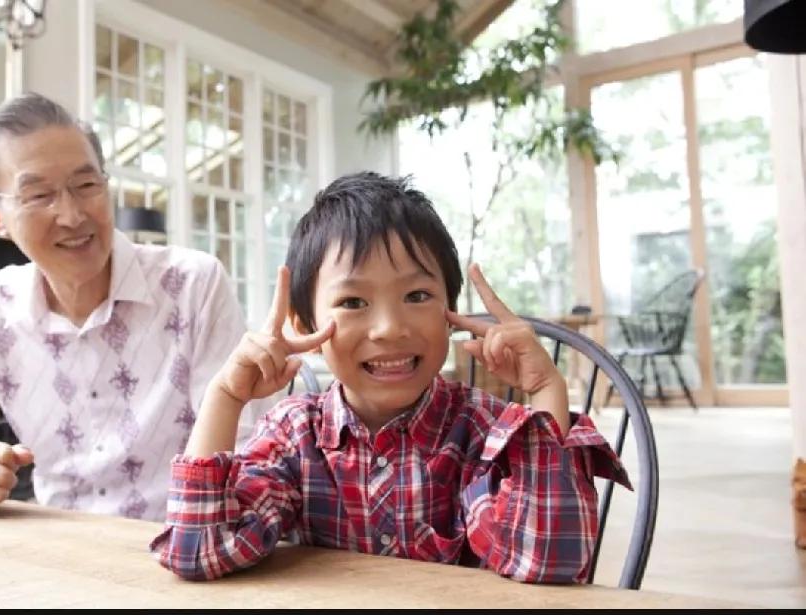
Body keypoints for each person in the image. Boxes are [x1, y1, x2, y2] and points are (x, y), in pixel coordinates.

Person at [150, 171, 631, 583]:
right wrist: (225, 395)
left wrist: (548, 390)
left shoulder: (489, 433)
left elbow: (549, 561)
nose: (390, 329)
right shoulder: (293, 436)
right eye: (354, 302)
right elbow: (199, 551)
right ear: (306, 326)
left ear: (451, 311)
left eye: (417, 296)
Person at [0, 92, 266, 521]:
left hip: (183, 542)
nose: (71, 215)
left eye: (86, 186)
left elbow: (245, 451)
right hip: (57, 553)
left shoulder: (193, 285)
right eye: (38, 195)